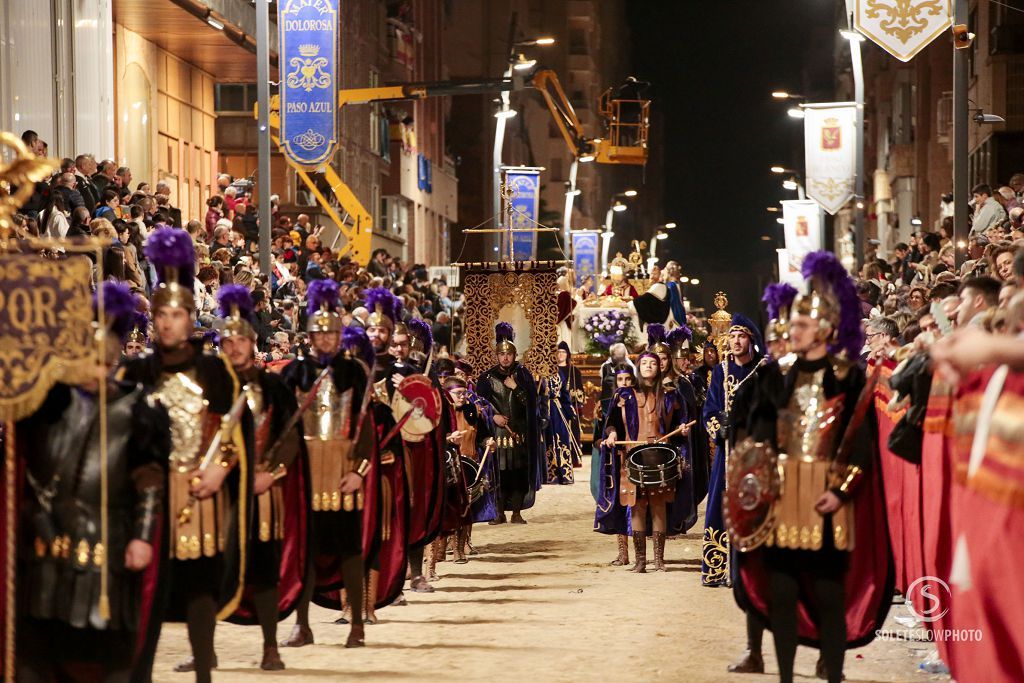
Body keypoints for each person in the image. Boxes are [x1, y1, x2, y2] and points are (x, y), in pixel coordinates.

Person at [731, 250, 892, 683]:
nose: (790, 331)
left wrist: (841, 492)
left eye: (800, 325)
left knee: (828, 595)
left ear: (822, 328)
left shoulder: (849, 377)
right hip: (783, 495)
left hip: (829, 497)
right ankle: (785, 676)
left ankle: (833, 673)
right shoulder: (775, 376)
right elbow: (756, 436)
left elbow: (861, 445)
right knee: (781, 593)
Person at [15, 282, 169, 681]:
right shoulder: (48, 402)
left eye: (102, 363)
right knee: (37, 654)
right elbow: (25, 459)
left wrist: (141, 536)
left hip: (109, 548)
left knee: (108, 656)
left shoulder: (138, 409)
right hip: (45, 545)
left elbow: (149, 478)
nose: (94, 371)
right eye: (87, 361)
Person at [121, 228, 254, 683]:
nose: (167, 323)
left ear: (189, 317)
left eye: (176, 314)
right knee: (146, 593)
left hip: (201, 493)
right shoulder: (136, 371)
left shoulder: (215, 372)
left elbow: (237, 433)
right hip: (148, 494)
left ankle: (203, 672)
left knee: (199, 586)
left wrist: (221, 469)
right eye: (161, 315)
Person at [279, 280, 374, 650]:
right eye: (319, 334)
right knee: (305, 553)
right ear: (309, 336)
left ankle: (356, 625)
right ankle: (302, 625)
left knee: (350, 551)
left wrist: (359, 472)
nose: (326, 340)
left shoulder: (355, 372)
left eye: (332, 333)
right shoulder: (294, 373)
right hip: (305, 473)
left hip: (342, 471)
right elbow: (283, 429)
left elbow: (366, 431)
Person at [217, 285, 306, 670]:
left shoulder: (272, 386)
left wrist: (272, 473)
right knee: (208, 569)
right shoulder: (210, 383)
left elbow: (290, 437)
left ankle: (271, 647)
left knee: (264, 567)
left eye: (241, 339)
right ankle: (203, 647)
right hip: (217, 492)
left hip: (260, 490)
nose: (234, 345)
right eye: (228, 339)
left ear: (253, 341)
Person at [601, 342, 694, 572]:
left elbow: (681, 423)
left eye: (653, 363)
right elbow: (611, 423)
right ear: (638, 367)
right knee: (637, 506)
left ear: (660, 367)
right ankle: (640, 561)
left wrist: (683, 430)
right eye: (644, 363)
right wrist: (612, 434)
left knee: (659, 506)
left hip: (661, 456)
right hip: (632, 455)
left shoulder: (671, 395)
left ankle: (659, 560)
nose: (649, 366)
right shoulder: (624, 395)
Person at [701, 314, 764, 587]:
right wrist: (719, 427)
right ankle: (719, 568)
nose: (736, 341)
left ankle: (750, 572)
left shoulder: (764, 371)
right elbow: (710, 409)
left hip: (754, 453)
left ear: (751, 340)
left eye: (741, 336)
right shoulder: (721, 371)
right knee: (721, 506)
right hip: (727, 454)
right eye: (733, 337)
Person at [476, 323, 545, 524]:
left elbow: (532, 404)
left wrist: (516, 388)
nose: (505, 358)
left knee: (518, 473)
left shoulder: (523, 375)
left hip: (519, 433)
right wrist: (493, 417)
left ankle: (516, 512)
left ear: (515, 355)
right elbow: (481, 405)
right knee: (499, 473)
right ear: (496, 356)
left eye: (509, 354)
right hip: (497, 434)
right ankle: (498, 512)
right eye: (501, 354)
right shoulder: (486, 378)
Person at [593, 367, 637, 566]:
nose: (624, 383)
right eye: (620, 379)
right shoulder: (607, 405)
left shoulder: (638, 401)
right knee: (620, 506)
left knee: (637, 507)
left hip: (636, 459)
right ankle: (623, 554)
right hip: (618, 461)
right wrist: (609, 436)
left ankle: (642, 555)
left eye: (628, 379)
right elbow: (603, 431)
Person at [544, 342, 583, 484]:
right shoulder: (540, 372)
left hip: (558, 409)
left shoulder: (559, 372)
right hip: (544, 410)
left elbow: (565, 394)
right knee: (547, 440)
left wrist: (569, 411)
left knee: (562, 439)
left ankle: (564, 474)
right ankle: (550, 474)